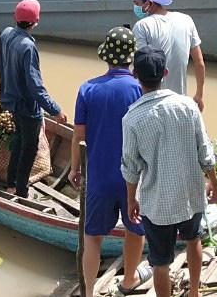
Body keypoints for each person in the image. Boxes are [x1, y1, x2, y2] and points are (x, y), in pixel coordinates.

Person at [121, 46, 217, 297]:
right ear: (165, 73)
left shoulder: (131, 119)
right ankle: (195, 292)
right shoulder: (188, 106)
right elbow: (205, 152)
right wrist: (214, 184)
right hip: (190, 194)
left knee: (160, 261)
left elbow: (131, 168)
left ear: (135, 75)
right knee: (193, 239)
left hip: (157, 203)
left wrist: (131, 199)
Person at [69, 27, 151, 296]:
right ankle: (129, 281)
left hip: (100, 178)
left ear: (106, 56)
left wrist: (74, 168)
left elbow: (79, 136)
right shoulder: (141, 89)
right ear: (131, 58)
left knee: (92, 236)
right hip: (133, 180)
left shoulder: (88, 88)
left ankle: (89, 292)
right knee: (135, 230)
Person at [0, 0, 67, 198]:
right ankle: (21, 191)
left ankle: (11, 183)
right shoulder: (28, 46)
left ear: (15, 18)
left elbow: (1, 67)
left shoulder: (6, 34)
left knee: (19, 141)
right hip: (28, 107)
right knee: (29, 148)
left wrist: (7, 91)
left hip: (11, 101)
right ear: (36, 22)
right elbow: (35, 86)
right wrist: (55, 110)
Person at [129, 0, 206, 111]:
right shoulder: (186, 20)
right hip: (181, 102)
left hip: (153, 104)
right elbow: (199, 62)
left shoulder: (142, 26)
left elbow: (142, 67)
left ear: (149, 3)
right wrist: (199, 95)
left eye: (137, 3)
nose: (136, 7)